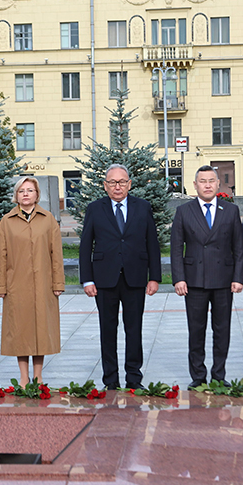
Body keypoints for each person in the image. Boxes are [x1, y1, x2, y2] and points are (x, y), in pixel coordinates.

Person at [79, 164, 161, 390]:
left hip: (135, 278)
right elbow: (86, 246)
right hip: (104, 279)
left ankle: (134, 378)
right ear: (105, 185)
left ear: (129, 184)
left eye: (122, 182)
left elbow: (152, 244)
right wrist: (87, 279)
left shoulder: (142, 207)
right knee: (108, 329)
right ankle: (111, 380)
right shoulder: (95, 209)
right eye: (113, 182)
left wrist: (154, 277)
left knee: (134, 329)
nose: (118, 186)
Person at [170, 165, 243, 389]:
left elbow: (239, 247)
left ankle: (219, 374)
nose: (207, 185)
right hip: (194, 280)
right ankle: (198, 375)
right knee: (197, 329)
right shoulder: (184, 211)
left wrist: (238, 277)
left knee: (222, 329)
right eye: (202, 181)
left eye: (211, 180)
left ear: (218, 184)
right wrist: (178, 278)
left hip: (223, 279)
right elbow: (175, 248)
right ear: (195, 185)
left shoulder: (230, 211)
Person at [0, 177, 64, 387]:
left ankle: (38, 376)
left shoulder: (48, 219)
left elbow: (56, 254)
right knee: (20, 332)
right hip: (17, 286)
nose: (25, 194)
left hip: (44, 285)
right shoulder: (7, 221)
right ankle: (23, 377)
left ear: (37, 195)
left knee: (41, 331)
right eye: (21, 190)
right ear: (16, 195)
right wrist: (1, 286)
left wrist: (58, 283)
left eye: (30, 190)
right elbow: (1, 256)